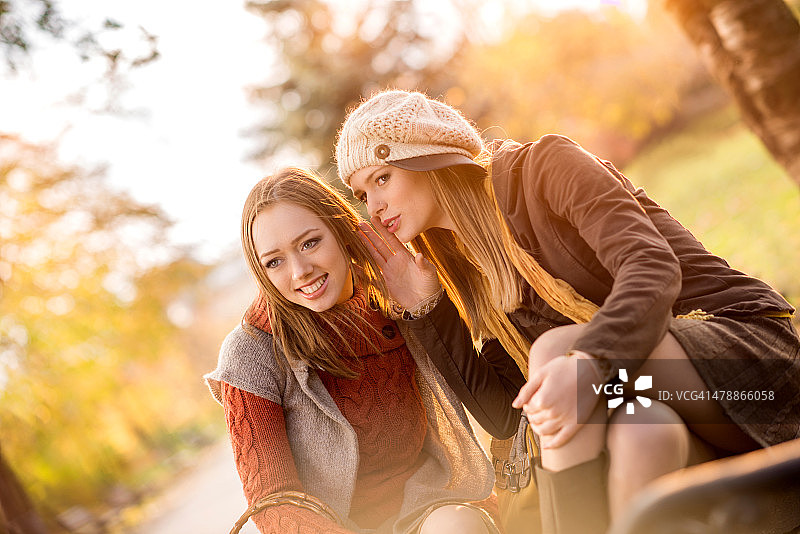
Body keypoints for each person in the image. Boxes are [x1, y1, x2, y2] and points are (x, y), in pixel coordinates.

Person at [335, 89, 800, 533]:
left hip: (748, 372)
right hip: (650, 400)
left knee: (556, 348)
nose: (374, 207)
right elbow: (505, 417)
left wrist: (590, 362)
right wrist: (426, 308)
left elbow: (650, 267)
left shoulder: (545, 168)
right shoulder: (468, 269)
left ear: (428, 158)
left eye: (382, 177)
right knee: (643, 433)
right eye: (361, 194)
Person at [204, 168, 518, 534]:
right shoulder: (251, 352)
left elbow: (497, 411)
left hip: (428, 509)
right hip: (332, 529)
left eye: (309, 243)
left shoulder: (394, 296)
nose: (300, 271)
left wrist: (427, 306)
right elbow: (275, 501)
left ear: (341, 231)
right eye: (275, 261)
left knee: (458, 528)